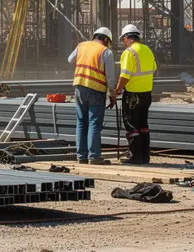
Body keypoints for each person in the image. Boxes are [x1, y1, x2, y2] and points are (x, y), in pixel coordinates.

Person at [108, 24, 157, 165]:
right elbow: (153, 68)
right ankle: (144, 156)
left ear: (127, 37)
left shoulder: (129, 52)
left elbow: (125, 75)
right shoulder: (147, 50)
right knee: (143, 125)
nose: (123, 42)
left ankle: (136, 157)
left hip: (133, 95)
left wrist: (116, 91)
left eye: (123, 39)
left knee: (131, 124)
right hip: (146, 93)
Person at [67, 27, 115, 165]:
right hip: (96, 90)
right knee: (94, 122)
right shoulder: (106, 51)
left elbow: (70, 59)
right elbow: (110, 77)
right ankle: (93, 156)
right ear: (106, 39)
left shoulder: (81, 46)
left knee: (81, 121)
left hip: (79, 87)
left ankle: (81, 156)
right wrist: (112, 93)